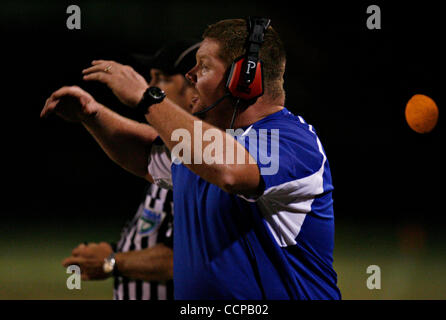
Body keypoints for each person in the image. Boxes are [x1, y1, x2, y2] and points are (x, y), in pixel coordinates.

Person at [42, 18, 341, 300]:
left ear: (244, 81)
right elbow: (147, 154)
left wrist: (147, 98)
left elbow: (231, 170)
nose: (191, 75)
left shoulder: (292, 141)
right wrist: (93, 115)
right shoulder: (206, 146)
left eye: (204, 66)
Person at [60, 39, 200, 300]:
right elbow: (143, 150)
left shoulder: (208, 162)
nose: (150, 87)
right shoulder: (177, 153)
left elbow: (190, 257)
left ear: (195, 85)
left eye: (162, 79)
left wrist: (113, 260)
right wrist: (91, 114)